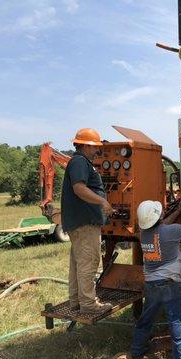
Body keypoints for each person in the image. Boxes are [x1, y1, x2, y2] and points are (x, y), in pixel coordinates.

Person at [130, 199, 181, 359]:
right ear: (159, 216)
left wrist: (175, 212)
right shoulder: (171, 232)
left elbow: (160, 228)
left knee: (146, 318)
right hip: (170, 284)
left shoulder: (142, 234)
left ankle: (137, 350)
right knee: (176, 325)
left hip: (152, 285)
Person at [61, 128, 115, 314]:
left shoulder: (79, 162)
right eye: (94, 147)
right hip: (85, 222)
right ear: (84, 145)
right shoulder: (79, 162)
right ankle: (89, 305)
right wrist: (102, 201)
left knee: (78, 263)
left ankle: (77, 301)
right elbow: (79, 188)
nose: (97, 150)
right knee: (89, 262)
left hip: (79, 222)